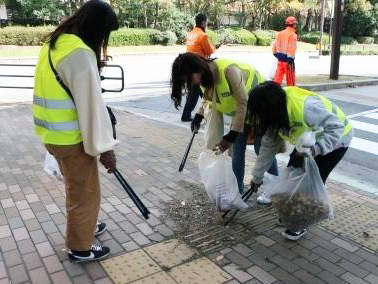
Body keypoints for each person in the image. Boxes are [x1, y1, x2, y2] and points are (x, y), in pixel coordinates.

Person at [33, 0, 119, 262]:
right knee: (85, 193)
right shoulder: (81, 53)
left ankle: (87, 226)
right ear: (97, 28)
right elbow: (92, 109)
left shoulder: (57, 43)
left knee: (78, 189)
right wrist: (106, 151)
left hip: (52, 134)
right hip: (72, 139)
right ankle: (80, 248)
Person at [248, 81, 353, 240]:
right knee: (291, 178)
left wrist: (316, 150)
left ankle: (299, 224)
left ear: (269, 108)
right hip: (306, 142)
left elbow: (336, 128)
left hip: (336, 141)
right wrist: (257, 177)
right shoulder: (275, 117)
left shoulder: (306, 109)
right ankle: (291, 213)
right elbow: (267, 149)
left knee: (308, 184)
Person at [170, 53, 278, 194]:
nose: (192, 83)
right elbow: (209, 97)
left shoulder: (229, 71)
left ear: (198, 69)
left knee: (262, 149)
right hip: (242, 113)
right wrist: (199, 115)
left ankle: (275, 189)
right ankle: (237, 191)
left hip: (260, 107)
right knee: (237, 153)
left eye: (190, 78)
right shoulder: (204, 78)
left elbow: (242, 103)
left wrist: (232, 135)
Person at [181, 13, 220, 122]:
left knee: (201, 92)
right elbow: (209, 51)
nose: (207, 24)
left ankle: (205, 113)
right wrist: (214, 47)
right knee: (198, 92)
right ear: (203, 22)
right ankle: (187, 116)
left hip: (190, 66)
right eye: (206, 22)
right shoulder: (203, 35)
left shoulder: (191, 34)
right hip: (199, 68)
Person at [272, 16, 298, 86]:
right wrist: (290, 60)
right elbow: (291, 48)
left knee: (277, 79)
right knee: (291, 81)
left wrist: (276, 55)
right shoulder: (293, 35)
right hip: (288, 61)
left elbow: (274, 46)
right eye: (295, 24)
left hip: (280, 60)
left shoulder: (280, 33)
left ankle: (275, 92)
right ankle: (292, 94)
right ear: (294, 24)